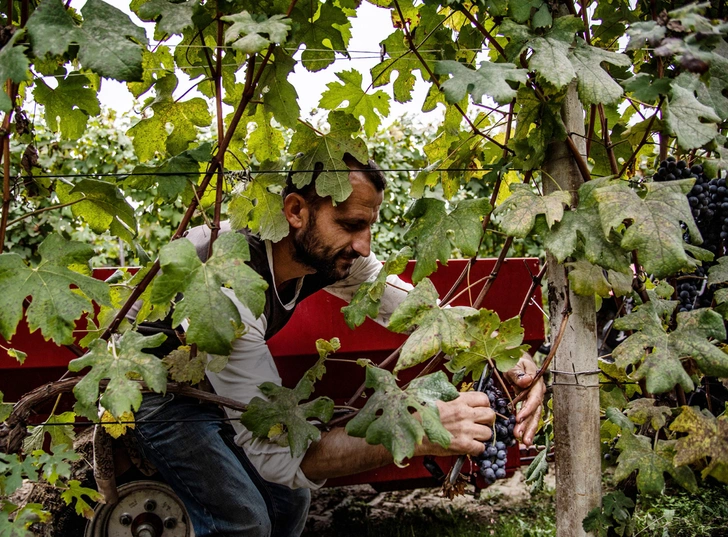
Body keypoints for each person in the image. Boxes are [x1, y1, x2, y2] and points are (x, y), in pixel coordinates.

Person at [132, 154, 546, 537]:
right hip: (160, 394)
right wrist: (416, 431)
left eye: (369, 227)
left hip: (214, 383)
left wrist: (506, 356)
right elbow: (279, 457)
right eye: (350, 225)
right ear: (295, 211)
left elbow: (421, 313)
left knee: (289, 501)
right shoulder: (232, 285)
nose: (364, 245)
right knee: (243, 522)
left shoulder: (325, 258)